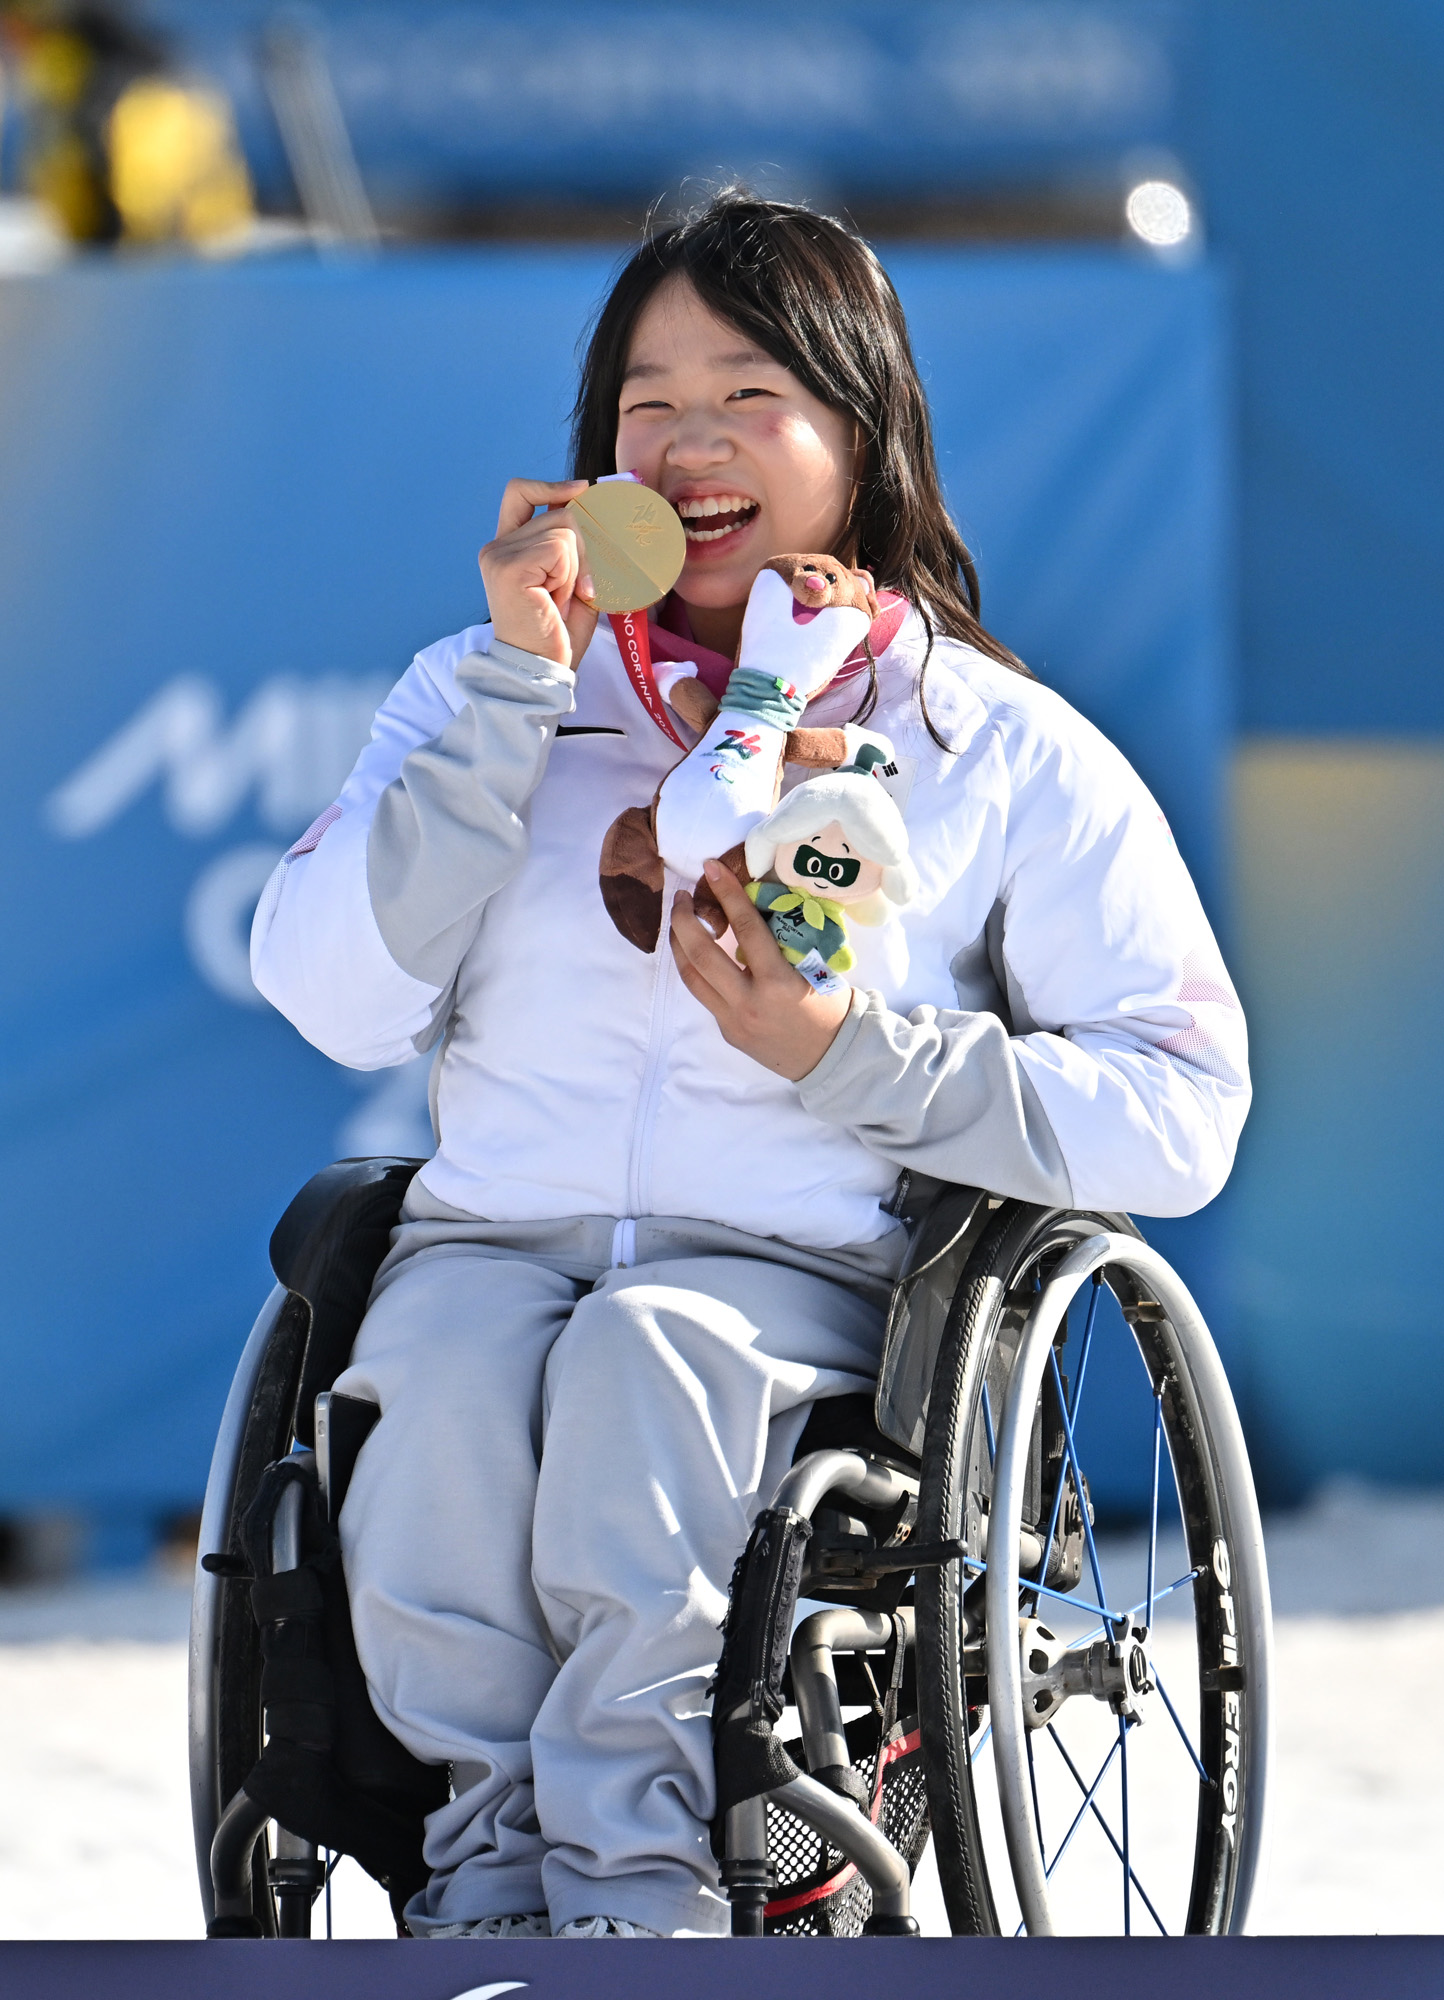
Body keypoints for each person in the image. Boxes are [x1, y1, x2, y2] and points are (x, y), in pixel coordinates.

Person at [251, 192, 1250, 1940]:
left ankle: (643, 1896)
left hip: (794, 1285)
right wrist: (508, 698)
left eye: (750, 394)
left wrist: (856, 1056)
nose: (690, 444)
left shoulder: (986, 741)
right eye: (646, 404)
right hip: (495, 1236)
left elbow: (1184, 1100)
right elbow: (332, 994)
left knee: (649, 1360)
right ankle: (484, 1879)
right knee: (444, 1400)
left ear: (863, 440)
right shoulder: (481, 690)